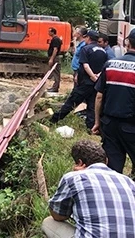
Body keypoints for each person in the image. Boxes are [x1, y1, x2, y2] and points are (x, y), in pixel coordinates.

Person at [42, 139, 135, 238]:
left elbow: (58, 214)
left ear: (79, 162)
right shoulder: (129, 182)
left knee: (48, 223)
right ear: (106, 160)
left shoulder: (75, 177)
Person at [92, 28, 135, 173]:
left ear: (128, 43)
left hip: (109, 124)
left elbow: (99, 97)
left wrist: (97, 122)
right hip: (131, 125)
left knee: (112, 169)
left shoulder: (110, 64)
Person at [50, 30, 107, 132]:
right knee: (92, 107)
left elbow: (85, 65)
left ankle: (54, 120)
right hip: (96, 84)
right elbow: (104, 67)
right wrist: (97, 77)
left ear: (88, 38)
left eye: (85, 38)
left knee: (71, 103)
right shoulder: (103, 51)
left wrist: (92, 76)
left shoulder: (86, 49)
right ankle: (91, 128)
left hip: (85, 83)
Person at [47, 27, 63, 93]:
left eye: (49, 31)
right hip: (54, 57)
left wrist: (51, 59)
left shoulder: (56, 39)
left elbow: (55, 49)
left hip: (55, 58)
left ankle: (55, 87)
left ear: (52, 32)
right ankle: (55, 87)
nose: (48, 33)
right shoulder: (55, 39)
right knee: (55, 72)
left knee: (56, 72)